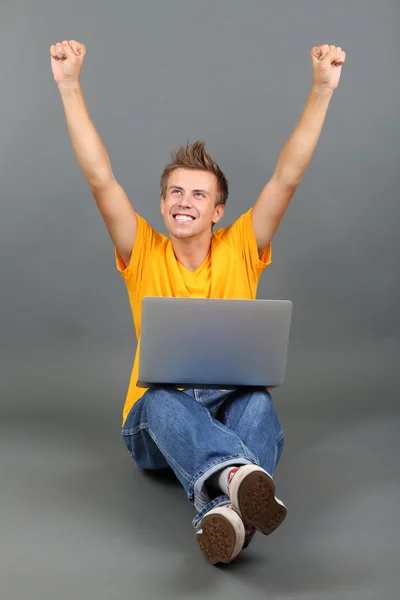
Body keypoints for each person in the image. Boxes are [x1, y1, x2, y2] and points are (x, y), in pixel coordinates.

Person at [50, 39, 346, 564]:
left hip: (228, 409)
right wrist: (69, 86)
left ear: (218, 211)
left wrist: (322, 89)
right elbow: (100, 178)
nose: (185, 201)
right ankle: (239, 476)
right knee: (161, 395)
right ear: (163, 203)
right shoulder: (142, 248)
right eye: (176, 193)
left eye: (199, 195)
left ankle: (223, 514)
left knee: (256, 401)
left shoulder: (242, 246)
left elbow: (288, 177)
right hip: (155, 429)